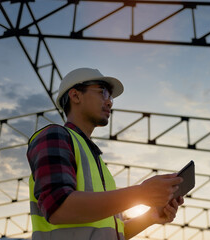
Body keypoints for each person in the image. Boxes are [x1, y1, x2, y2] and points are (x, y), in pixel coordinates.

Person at [27, 68, 184, 240]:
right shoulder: (54, 136)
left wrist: (151, 216)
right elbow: (59, 208)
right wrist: (141, 193)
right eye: (103, 93)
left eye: (110, 97)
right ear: (75, 96)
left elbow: (109, 233)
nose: (109, 102)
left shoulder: (96, 162)